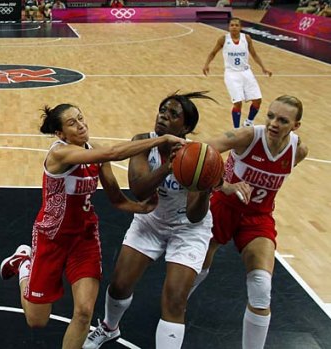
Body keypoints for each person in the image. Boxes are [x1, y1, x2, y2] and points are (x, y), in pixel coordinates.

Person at [0, 103, 186, 349]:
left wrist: (140, 208)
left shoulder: (95, 152)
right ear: (60, 134)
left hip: (85, 238)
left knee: (85, 312)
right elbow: (114, 153)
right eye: (72, 123)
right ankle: (24, 261)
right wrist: (159, 140)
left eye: (81, 118)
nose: (81, 125)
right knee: (37, 321)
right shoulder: (60, 154)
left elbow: (116, 198)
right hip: (52, 237)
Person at [83, 92, 250, 349]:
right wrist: (168, 167)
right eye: (163, 110)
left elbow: (196, 215)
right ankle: (109, 327)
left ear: (185, 128)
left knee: (174, 302)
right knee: (119, 285)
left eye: (173, 114)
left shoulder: (197, 156)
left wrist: (205, 187)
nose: (164, 115)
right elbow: (139, 191)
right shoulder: (142, 142)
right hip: (150, 222)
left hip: (188, 230)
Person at [189, 95, 308, 349]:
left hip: (258, 217)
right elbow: (199, 153)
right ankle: (174, 308)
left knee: (262, 286)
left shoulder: (298, 150)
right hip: (224, 206)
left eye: (283, 120)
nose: (274, 123)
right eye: (271, 116)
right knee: (195, 270)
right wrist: (224, 184)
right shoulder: (247, 136)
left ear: (296, 126)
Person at [203, 18, 272, 129]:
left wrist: (263, 68)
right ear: (229, 27)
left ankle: (248, 122)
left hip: (246, 72)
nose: (234, 27)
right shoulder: (223, 39)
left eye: (236, 25)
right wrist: (206, 64)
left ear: (240, 27)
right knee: (238, 102)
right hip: (231, 74)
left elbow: (254, 54)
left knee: (258, 100)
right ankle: (236, 129)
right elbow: (212, 53)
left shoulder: (247, 38)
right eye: (232, 25)